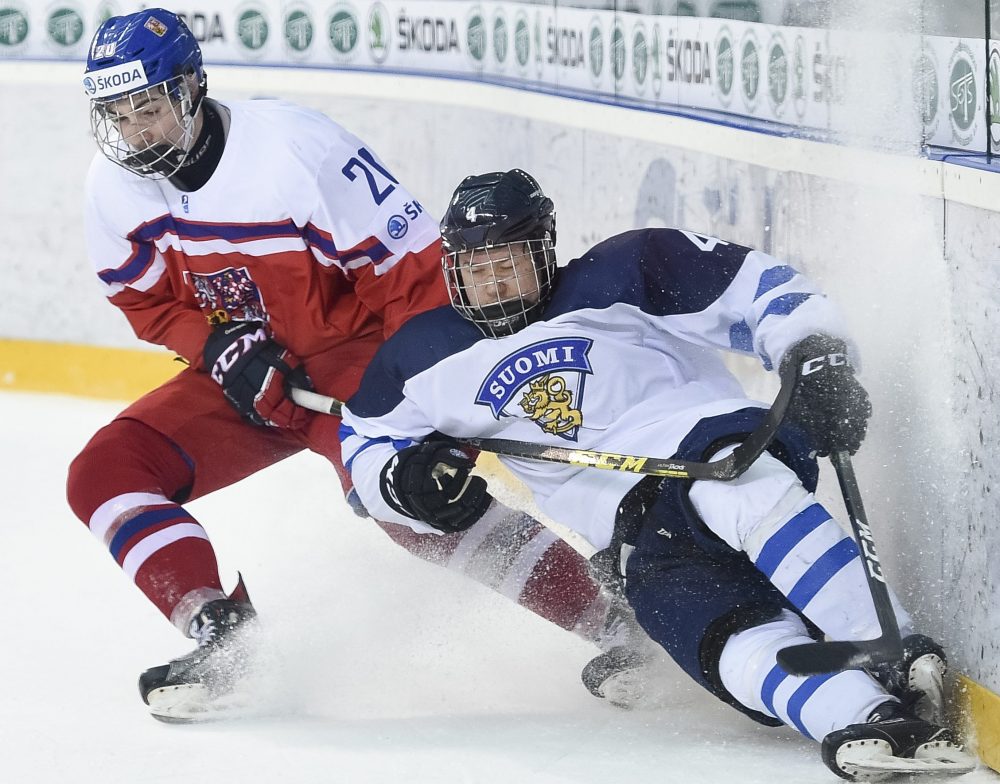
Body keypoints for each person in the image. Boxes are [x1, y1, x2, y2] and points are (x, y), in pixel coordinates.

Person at [67, 10, 649, 722]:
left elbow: (411, 282)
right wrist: (215, 345)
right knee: (104, 473)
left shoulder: (295, 150)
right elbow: (143, 296)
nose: (135, 134)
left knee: (411, 501)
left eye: (149, 109)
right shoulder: (111, 184)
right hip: (250, 375)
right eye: (118, 117)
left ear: (190, 89)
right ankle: (225, 638)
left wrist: (425, 405)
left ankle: (618, 624)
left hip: (358, 363)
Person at [337, 169, 976, 780]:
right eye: (476, 272)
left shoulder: (624, 270)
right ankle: (866, 721)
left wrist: (816, 357)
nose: (494, 286)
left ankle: (895, 651)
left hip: (709, 449)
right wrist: (405, 481)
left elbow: (764, 286)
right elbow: (365, 447)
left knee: (740, 495)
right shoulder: (420, 357)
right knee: (721, 638)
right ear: (452, 270)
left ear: (544, 251)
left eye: (508, 265)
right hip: (636, 538)